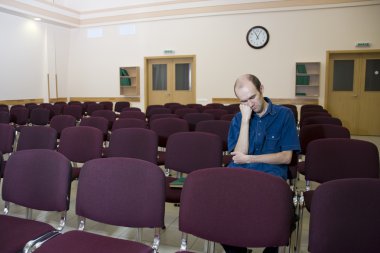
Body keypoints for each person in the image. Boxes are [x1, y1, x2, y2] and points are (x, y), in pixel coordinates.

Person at [222, 74, 300, 253]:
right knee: (218, 210)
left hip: (270, 178)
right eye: (244, 101)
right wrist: (245, 121)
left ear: (262, 89)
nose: (250, 104)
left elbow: (286, 157)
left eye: (252, 97)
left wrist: (250, 159)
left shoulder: (284, 115)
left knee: (281, 218)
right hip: (240, 177)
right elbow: (239, 154)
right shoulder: (238, 119)